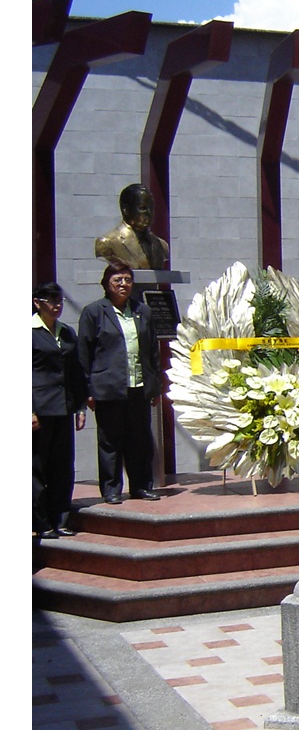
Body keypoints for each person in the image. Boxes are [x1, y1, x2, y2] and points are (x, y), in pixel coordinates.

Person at [77, 259, 162, 504]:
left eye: (127, 280)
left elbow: (152, 350)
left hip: (138, 386)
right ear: (107, 284)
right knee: (110, 441)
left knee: (139, 440)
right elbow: (84, 353)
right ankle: (112, 489)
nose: (123, 284)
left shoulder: (142, 311)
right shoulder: (94, 312)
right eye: (118, 280)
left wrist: (155, 385)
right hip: (108, 388)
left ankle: (141, 486)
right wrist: (87, 390)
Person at [33, 282, 88, 539]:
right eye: (51, 300)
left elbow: (76, 371)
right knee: (36, 468)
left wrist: (80, 406)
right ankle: (40, 522)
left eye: (60, 300)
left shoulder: (66, 332)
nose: (57, 305)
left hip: (63, 407)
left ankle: (60, 519)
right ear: (37, 303)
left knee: (62, 466)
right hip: (40, 409)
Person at [94, 183, 170, 270]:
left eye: (151, 208)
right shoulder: (106, 242)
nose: (149, 213)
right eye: (143, 208)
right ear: (126, 210)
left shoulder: (162, 245)